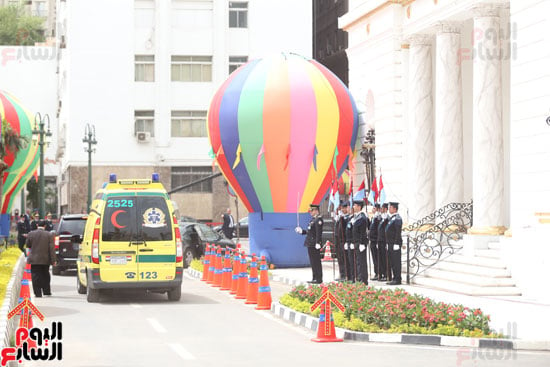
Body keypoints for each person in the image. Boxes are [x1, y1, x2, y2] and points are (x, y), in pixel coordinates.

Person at [26, 219, 56, 297]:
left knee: (35, 275)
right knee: (45, 274)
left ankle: (37, 293)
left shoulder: (31, 234)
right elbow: (52, 249)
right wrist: (53, 260)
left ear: (37, 225)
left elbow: (28, 245)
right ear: (45, 226)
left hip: (34, 259)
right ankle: (46, 291)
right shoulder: (49, 235)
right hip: (45, 259)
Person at [295, 204, 323, 284]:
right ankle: (314, 277)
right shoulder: (313, 220)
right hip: (310, 243)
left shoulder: (318, 220)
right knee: (312, 261)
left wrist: (318, 242)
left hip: (314, 244)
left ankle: (318, 278)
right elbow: (310, 232)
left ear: (316, 210)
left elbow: (318, 233)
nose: (310, 212)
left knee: (316, 261)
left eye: (312, 210)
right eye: (310, 210)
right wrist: (302, 231)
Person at [350, 200, 369, 285]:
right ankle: (359, 278)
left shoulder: (362, 217)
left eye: (355, 205)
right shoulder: (357, 217)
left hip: (360, 243)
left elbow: (362, 232)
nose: (353, 207)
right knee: (358, 262)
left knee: (361, 262)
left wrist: (362, 243)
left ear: (359, 207)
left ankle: (363, 280)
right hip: (356, 242)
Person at [385, 202, 403, 285]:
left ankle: (397, 278)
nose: (389, 209)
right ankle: (394, 277)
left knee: (396, 262)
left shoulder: (397, 218)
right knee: (392, 262)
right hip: (390, 243)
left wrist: (396, 243)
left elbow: (397, 232)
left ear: (395, 209)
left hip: (395, 243)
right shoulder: (392, 218)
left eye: (391, 207)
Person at [334, 201, 351, 281]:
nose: (342, 209)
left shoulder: (347, 218)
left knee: (345, 259)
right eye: (341, 208)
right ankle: (342, 273)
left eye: (344, 208)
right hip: (338, 240)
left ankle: (346, 275)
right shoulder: (340, 218)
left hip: (344, 241)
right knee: (340, 258)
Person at [369, 204, 382, 280]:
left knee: (377, 258)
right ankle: (376, 272)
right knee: (374, 258)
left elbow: (378, 230)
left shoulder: (378, 218)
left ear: (377, 209)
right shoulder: (374, 217)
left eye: (374, 208)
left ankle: (379, 273)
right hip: (372, 240)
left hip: (375, 240)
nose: (372, 209)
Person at [377, 203, 390, 281]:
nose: (380, 210)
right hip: (380, 241)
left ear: (385, 209)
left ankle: (386, 274)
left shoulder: (387, 218)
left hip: (385, 241)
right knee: (381, 259)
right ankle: (381, 274)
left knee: (385, 259)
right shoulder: (381, 218)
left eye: (382, 208)